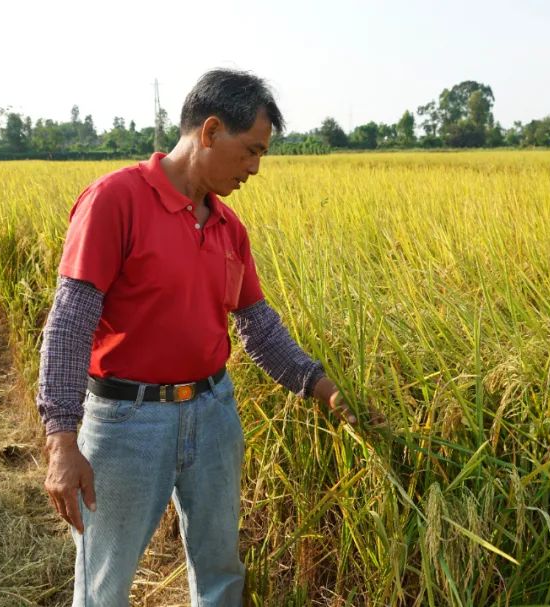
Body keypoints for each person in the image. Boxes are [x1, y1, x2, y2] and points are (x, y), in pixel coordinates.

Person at [37, 69, 380, 607]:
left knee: (220, 570)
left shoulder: (227, 227)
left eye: (262, 155)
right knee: (103, 583)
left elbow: (258, 328)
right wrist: (61, 438)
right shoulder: (115, 200)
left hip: (214, 413)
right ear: (211, 130)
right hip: (128, 422)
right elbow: (70, 321)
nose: (254, 168)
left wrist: (322, 387)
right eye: (250, 151)